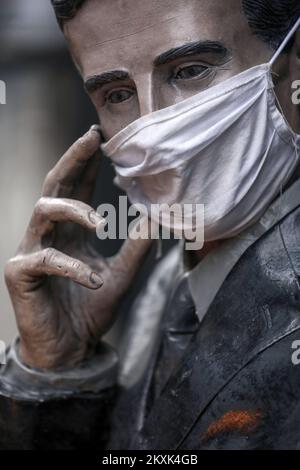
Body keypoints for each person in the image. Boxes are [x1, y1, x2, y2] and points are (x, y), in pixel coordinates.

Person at [1, 0, 300, 450]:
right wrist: (55, 373)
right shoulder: (169, 279)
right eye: (117, 95)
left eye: (190, 70)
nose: (152, 123)